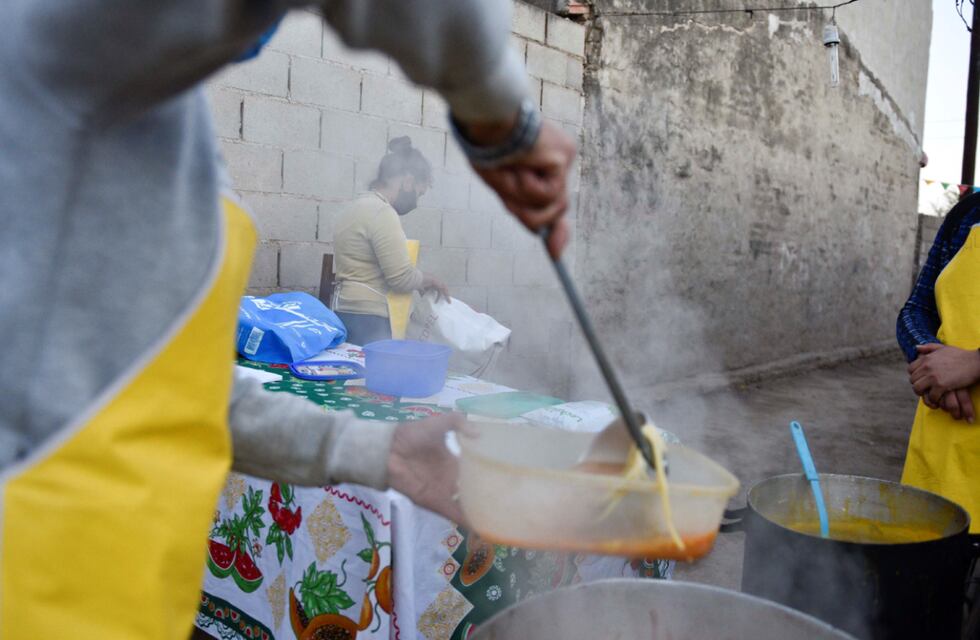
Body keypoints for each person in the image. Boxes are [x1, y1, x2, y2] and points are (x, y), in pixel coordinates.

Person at [0, 1, 576, 637]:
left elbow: (180, 398)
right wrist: (503, 120)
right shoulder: (55, 48)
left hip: (125, 604)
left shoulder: (166, 135)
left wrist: (370, 450)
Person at [897, 191, 980, 532]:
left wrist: (975, 364)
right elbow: (916, 310)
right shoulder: (969, 214)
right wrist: (933, 362)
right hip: (940, 457)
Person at [332, 136, 449, 345]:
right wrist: (429, 280)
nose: (416, 201)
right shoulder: (381, 212)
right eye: (418, 193)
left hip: (344, 311)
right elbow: (400, 278)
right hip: (369, 320)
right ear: (408, 181)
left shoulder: (355, 206)